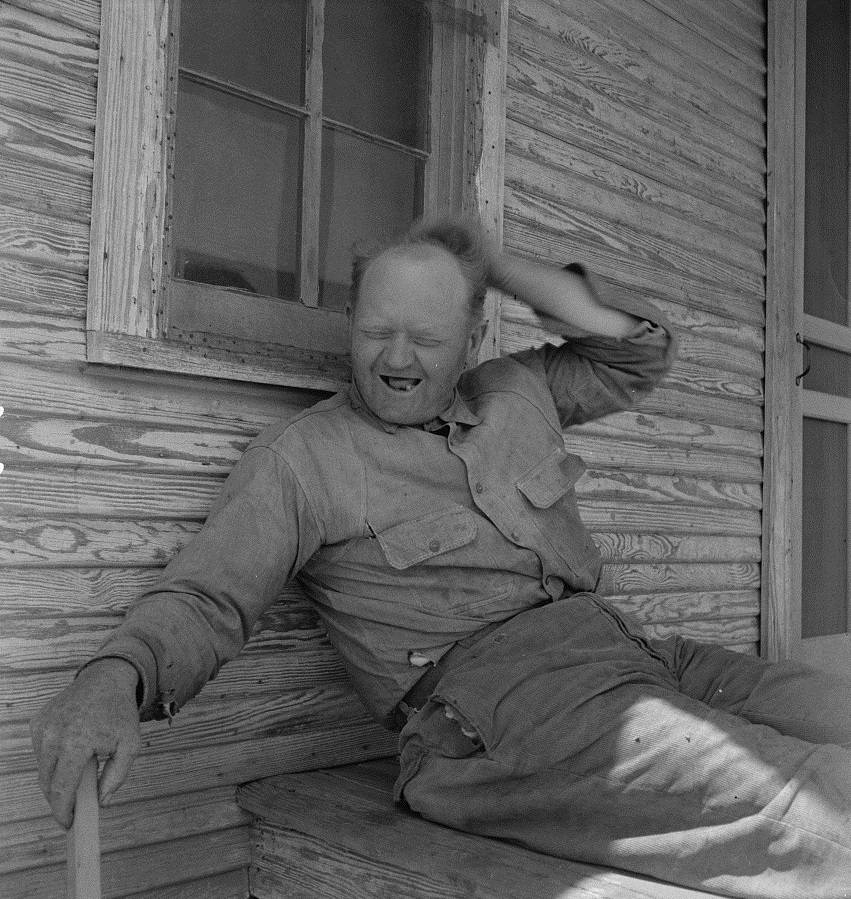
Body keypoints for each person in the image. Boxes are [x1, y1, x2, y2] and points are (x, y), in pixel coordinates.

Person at [31, 215, 851, 898]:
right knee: (810, 806)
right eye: (375, 331)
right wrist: (115, 677)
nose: (395, 359)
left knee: (833, 709)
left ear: (470, 337)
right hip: (498, 715)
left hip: (635, 656)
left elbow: (639, 351)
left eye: (425, 337)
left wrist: (495, 263)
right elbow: (207, 596)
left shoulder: (516, 391)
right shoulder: (306, 458)